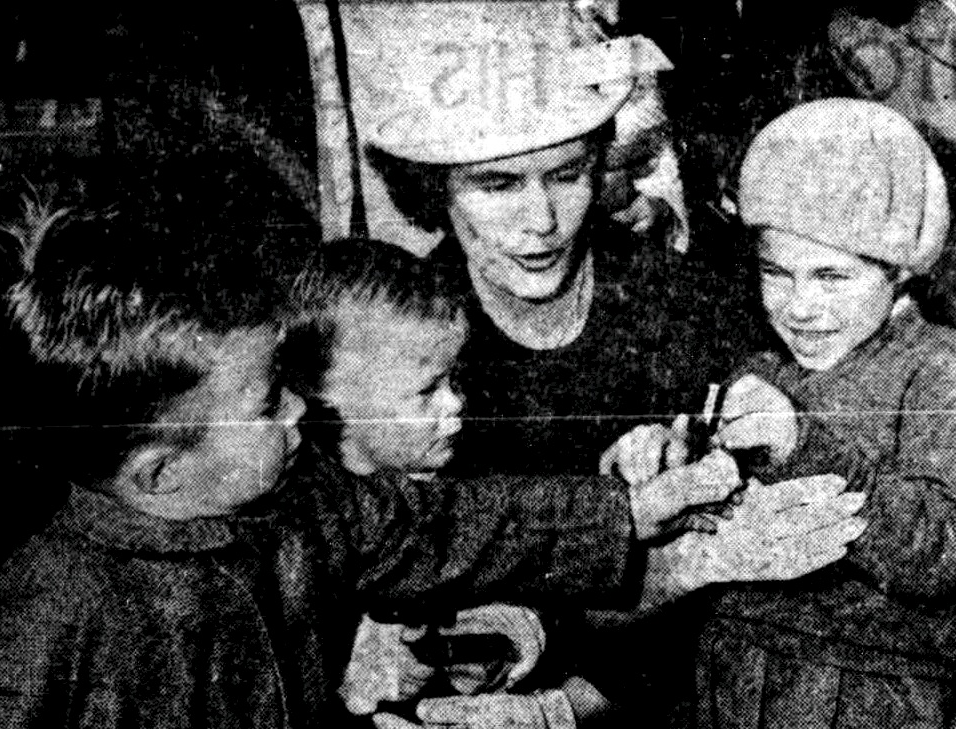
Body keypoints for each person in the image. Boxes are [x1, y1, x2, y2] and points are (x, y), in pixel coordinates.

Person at [277, 238, 868, 729]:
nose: (456, 404)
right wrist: (336, 656)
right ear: (323, 397)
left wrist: (523, 637)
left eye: (454, 380)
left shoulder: (478, 482)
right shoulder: (299, 522)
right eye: (426, 391)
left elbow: (589, 610)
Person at [693, 99, 956, 729]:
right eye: (776, 273)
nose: (800, 306)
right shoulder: (759, 371)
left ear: (900, 272)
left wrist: (802, 448)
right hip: (733, 682)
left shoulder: (937, 370)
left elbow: (941, 554)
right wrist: (673, 468)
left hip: (877, 696)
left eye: (831, 277)